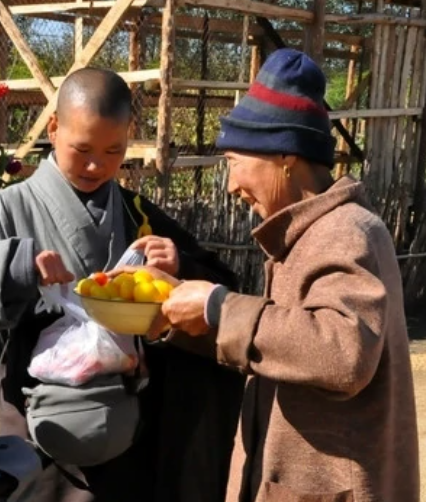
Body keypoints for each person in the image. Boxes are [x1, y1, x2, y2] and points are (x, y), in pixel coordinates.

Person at [0, 67, 244, 502]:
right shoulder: (9, 210)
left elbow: (222, 290)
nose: (97, 165)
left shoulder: (137, 212)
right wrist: (15, 266)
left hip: (132, 433)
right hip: (46, 435)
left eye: (113, 150)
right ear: (54, 127)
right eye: (81, 149)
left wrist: (179, 267)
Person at [158, 49, 419, 501]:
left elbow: (343, 350)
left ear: (284, 154)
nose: (231, 185)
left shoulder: (344, 232)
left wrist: (218, 307)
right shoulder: (306, 233)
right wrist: (171, 314)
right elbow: (281, 343)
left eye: (234, 162)